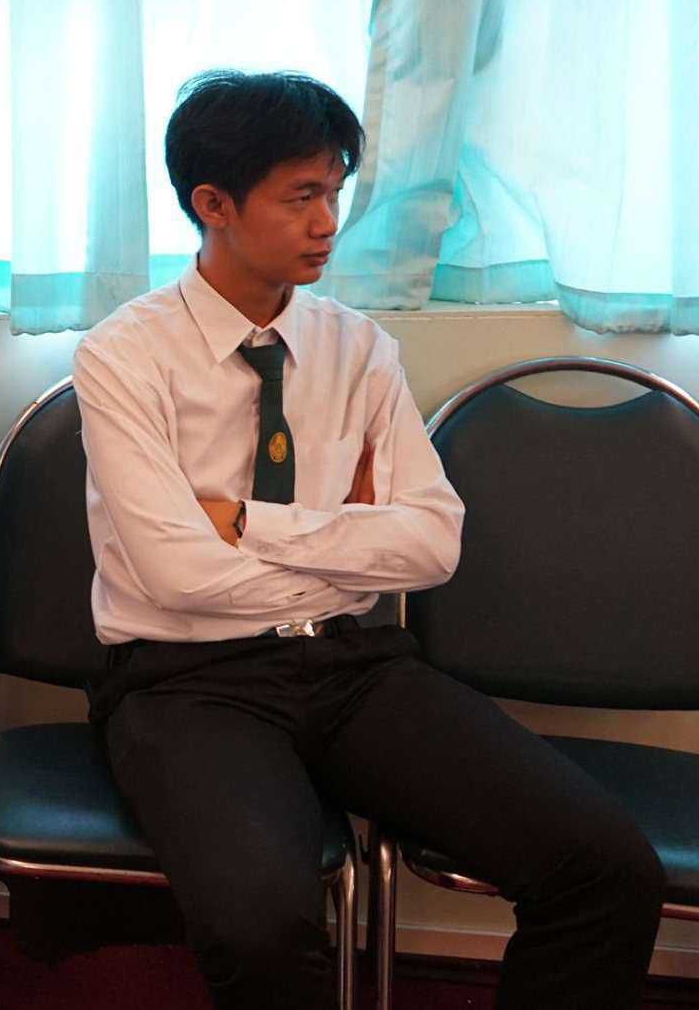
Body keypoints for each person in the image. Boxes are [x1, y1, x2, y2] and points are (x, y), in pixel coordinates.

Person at [74, 71, 665, 1008]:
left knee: (608, 868)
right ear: (213, 204)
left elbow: (432, 546)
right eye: (301, 195)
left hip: (355, 665)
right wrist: (352, 544)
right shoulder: (121, 355)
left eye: (336, 191)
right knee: (260, 926)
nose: (328, 222)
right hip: (185, 681)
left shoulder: (360, 349)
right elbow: (176, 575)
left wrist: (250, 523)